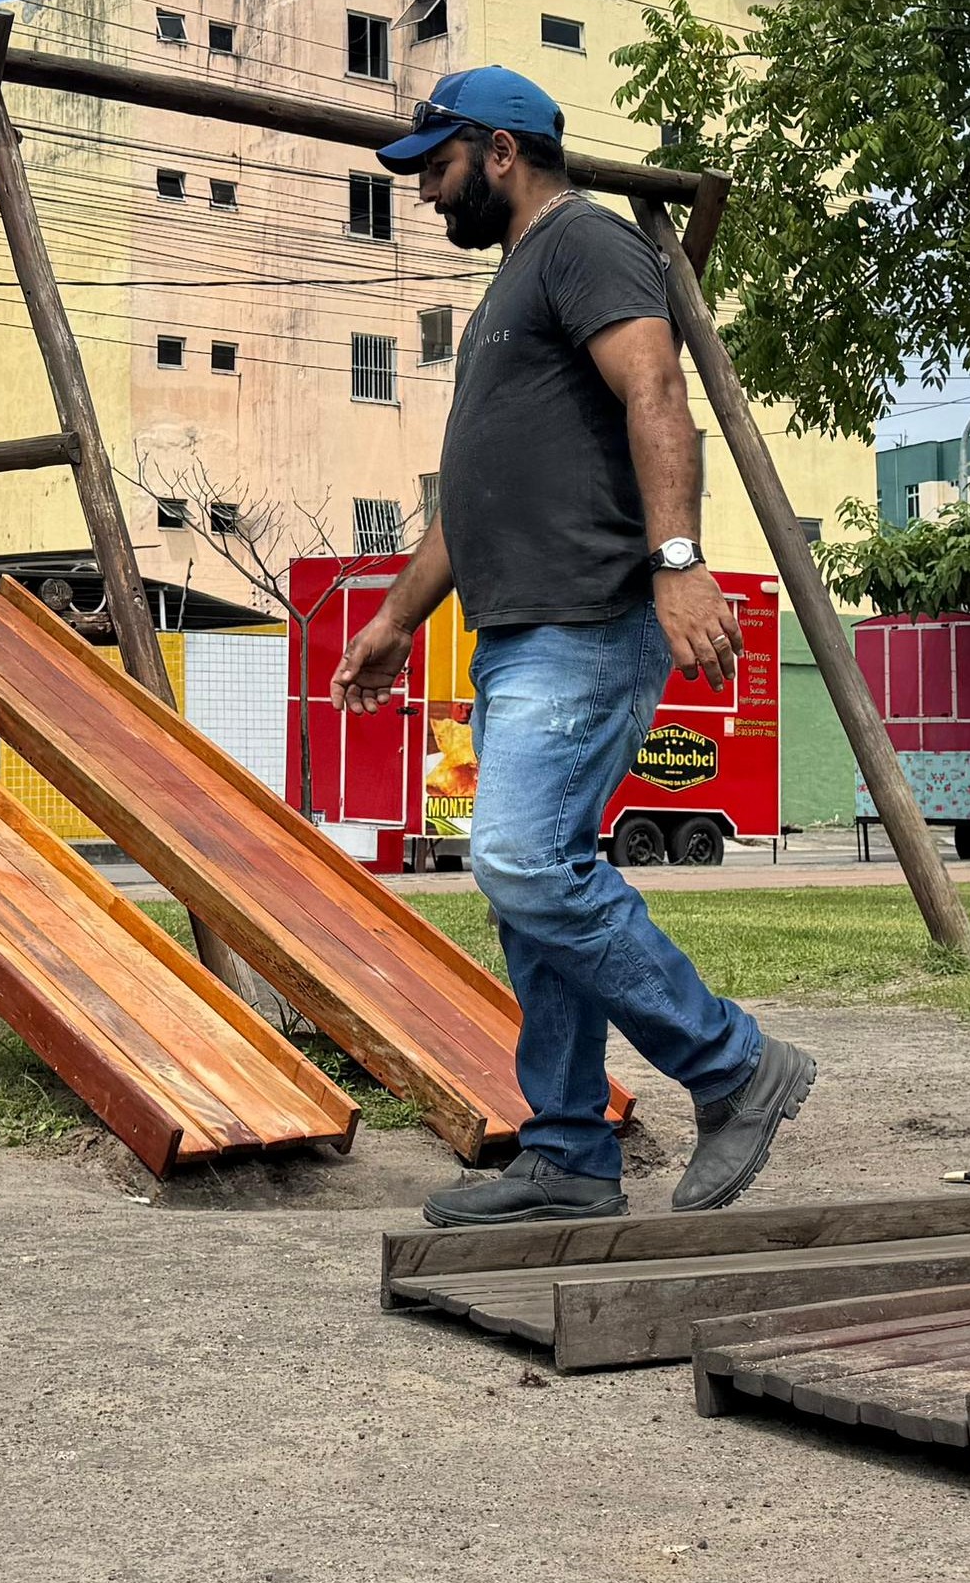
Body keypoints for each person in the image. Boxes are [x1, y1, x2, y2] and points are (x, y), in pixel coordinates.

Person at [334, 66, 818, 1227]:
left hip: (589, 619)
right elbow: (477, 494)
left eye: (438, 168)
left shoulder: (584, 244)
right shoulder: (511, 285)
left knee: (519, 862)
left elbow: (656, 389)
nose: (426, 193)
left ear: (503, 153)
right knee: (528, 893)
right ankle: (565, 1156)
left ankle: (733, 1068)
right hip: (514, 634)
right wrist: (398, 618)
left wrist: (677, 559)